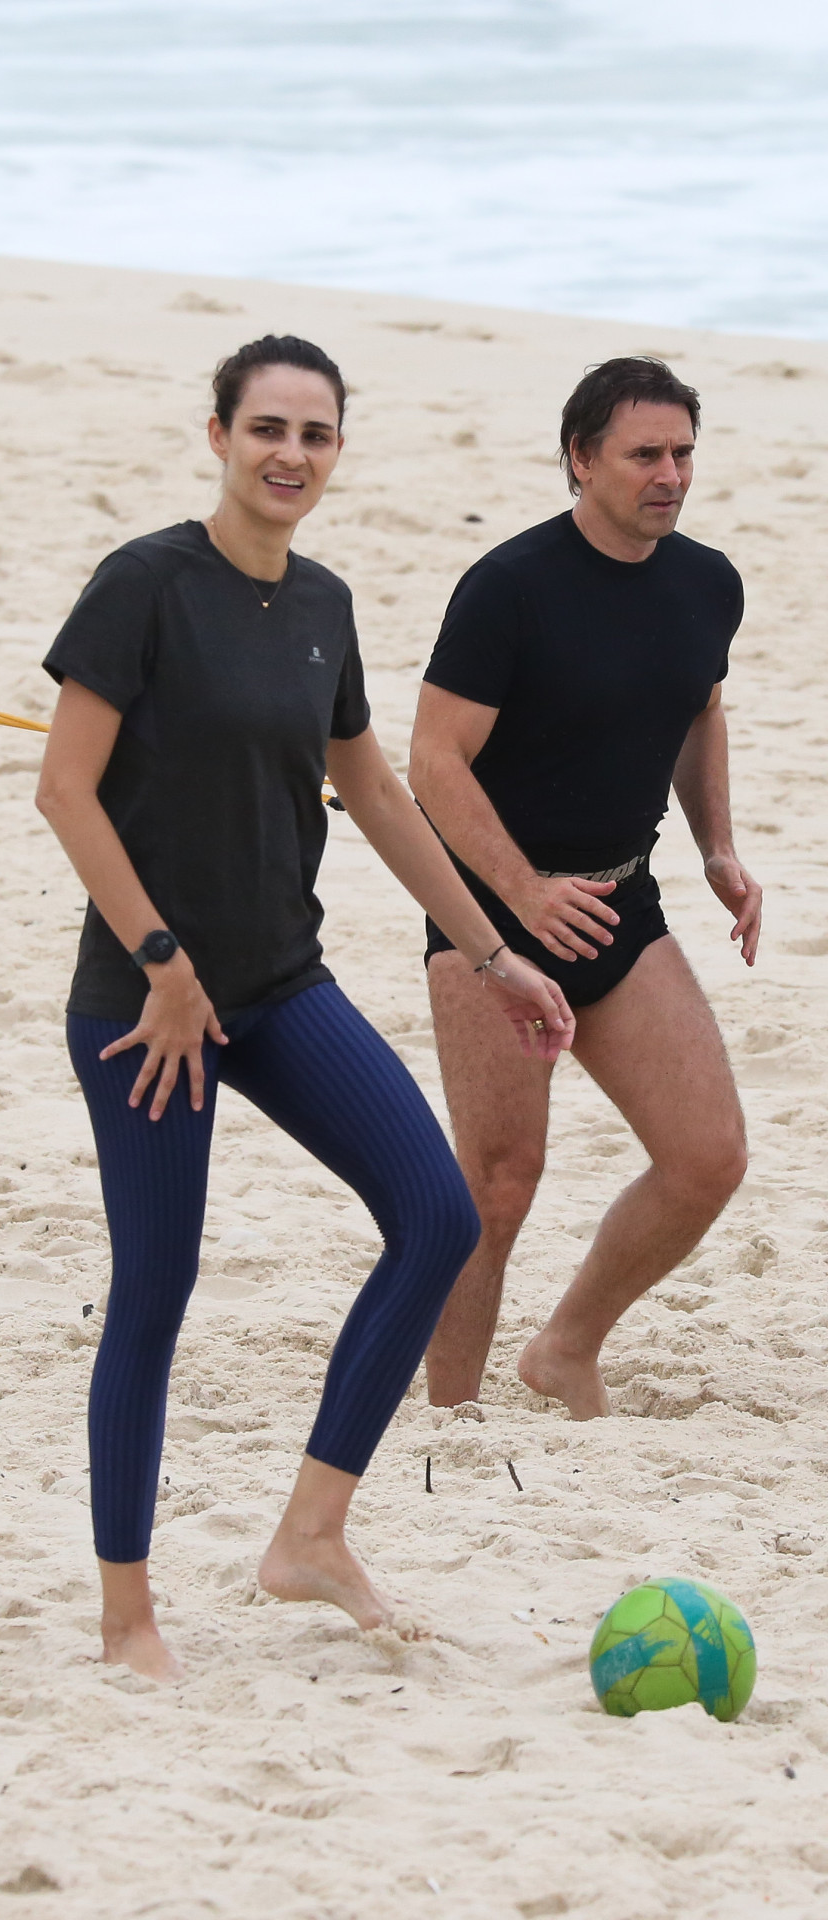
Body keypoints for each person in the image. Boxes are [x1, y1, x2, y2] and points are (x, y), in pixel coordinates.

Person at [36, 334, 574, 1680]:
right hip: (145, 1006)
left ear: (337, 452)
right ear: (218, 434)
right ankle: (127, 1616)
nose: (290, 454)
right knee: (155, 1290)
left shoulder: (323, 601)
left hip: (279, 984)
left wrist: (492, 951)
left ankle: (312, 1537)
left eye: (315, 434)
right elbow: (65, 791)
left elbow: (374, 788)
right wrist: (163, 964)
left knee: (438, 1216)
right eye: (267, 428)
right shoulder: (144, 586)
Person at [409, 356, 761, 1421]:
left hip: (620, 904)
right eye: (645, 454)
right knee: (499, 1183)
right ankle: (451, 1420)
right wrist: (524, 891)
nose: (671, 475)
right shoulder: (510, 587)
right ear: (581, 458)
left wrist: (717, 849)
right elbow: (434, 761)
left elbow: (698, 710)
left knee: (707, 1158)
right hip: (489, 916)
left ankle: (564, 1348)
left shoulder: (708, 583)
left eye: (684, 453)